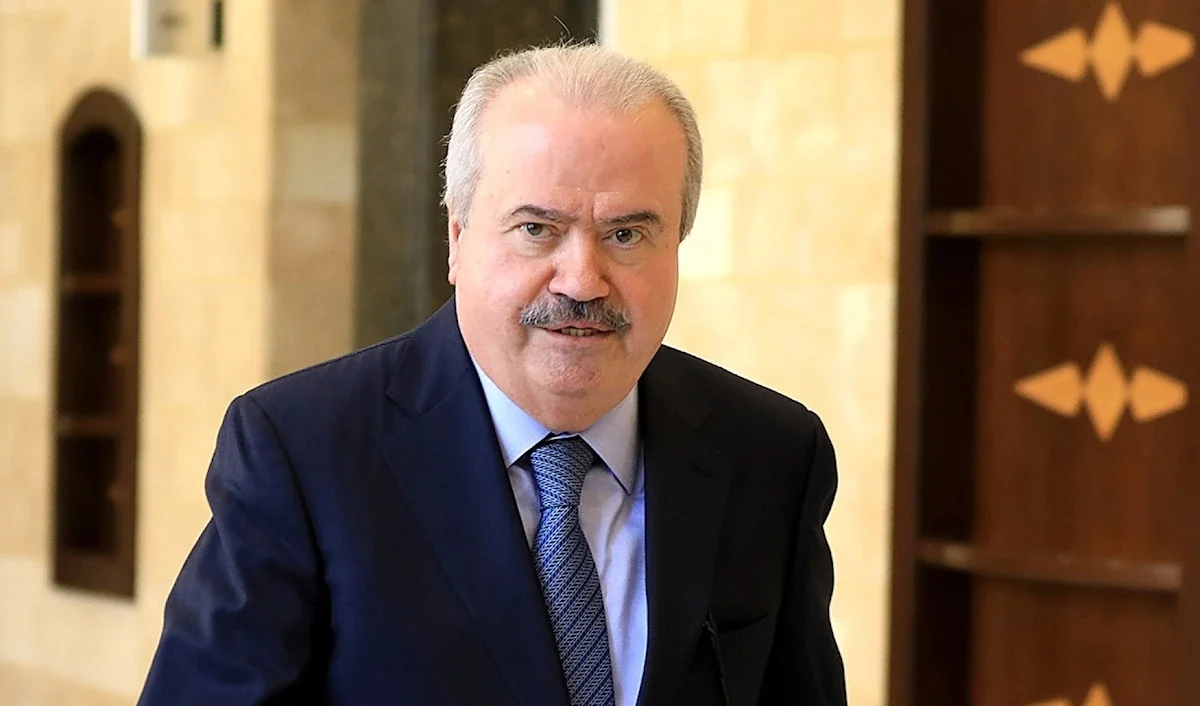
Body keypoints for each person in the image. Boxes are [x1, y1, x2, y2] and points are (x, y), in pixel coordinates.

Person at [139, 43, 846, 706]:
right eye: (537, 229)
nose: (582, 280)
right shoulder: (302, 452)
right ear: (457, 237)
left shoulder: (772, 454)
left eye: (626, 234)